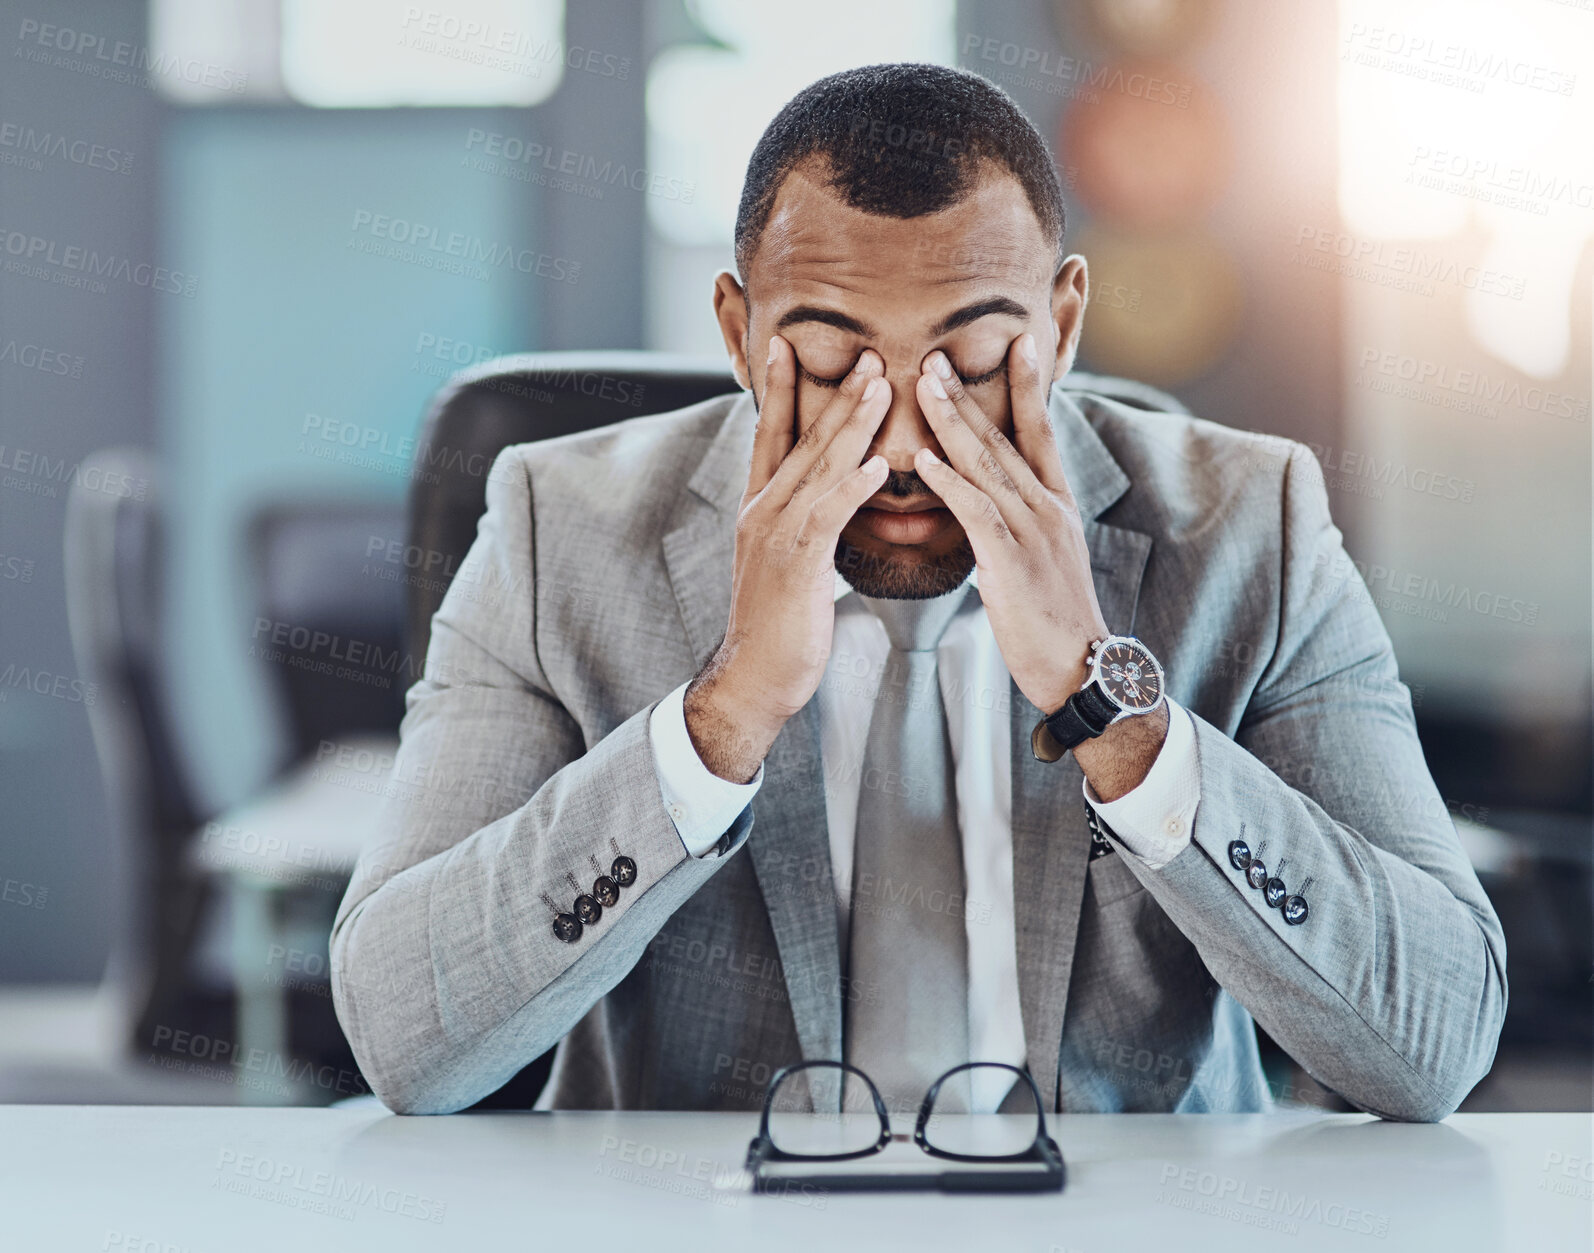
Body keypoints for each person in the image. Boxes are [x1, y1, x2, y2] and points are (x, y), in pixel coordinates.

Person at [330, 63, 1506, 1120]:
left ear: (1061, 321)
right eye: (834, 359)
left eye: (976, 362)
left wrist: (1118, 716)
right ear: (739, 333)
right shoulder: (555, 524)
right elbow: (403, 1038)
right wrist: (723, 715)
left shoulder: (1258, 522)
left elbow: (1434, 1041)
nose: (899, 441)